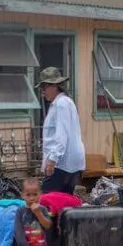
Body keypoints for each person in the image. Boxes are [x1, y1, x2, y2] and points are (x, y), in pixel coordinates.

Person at [38, 67, 85, 195]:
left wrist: (52, 160)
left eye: (44, 87)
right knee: (63, 202)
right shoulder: (66, 102)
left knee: (48, 201)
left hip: (61, 163)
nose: (43, 92)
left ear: (54, 86)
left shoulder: (61, 104)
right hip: (69, 161)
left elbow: (61, 135)